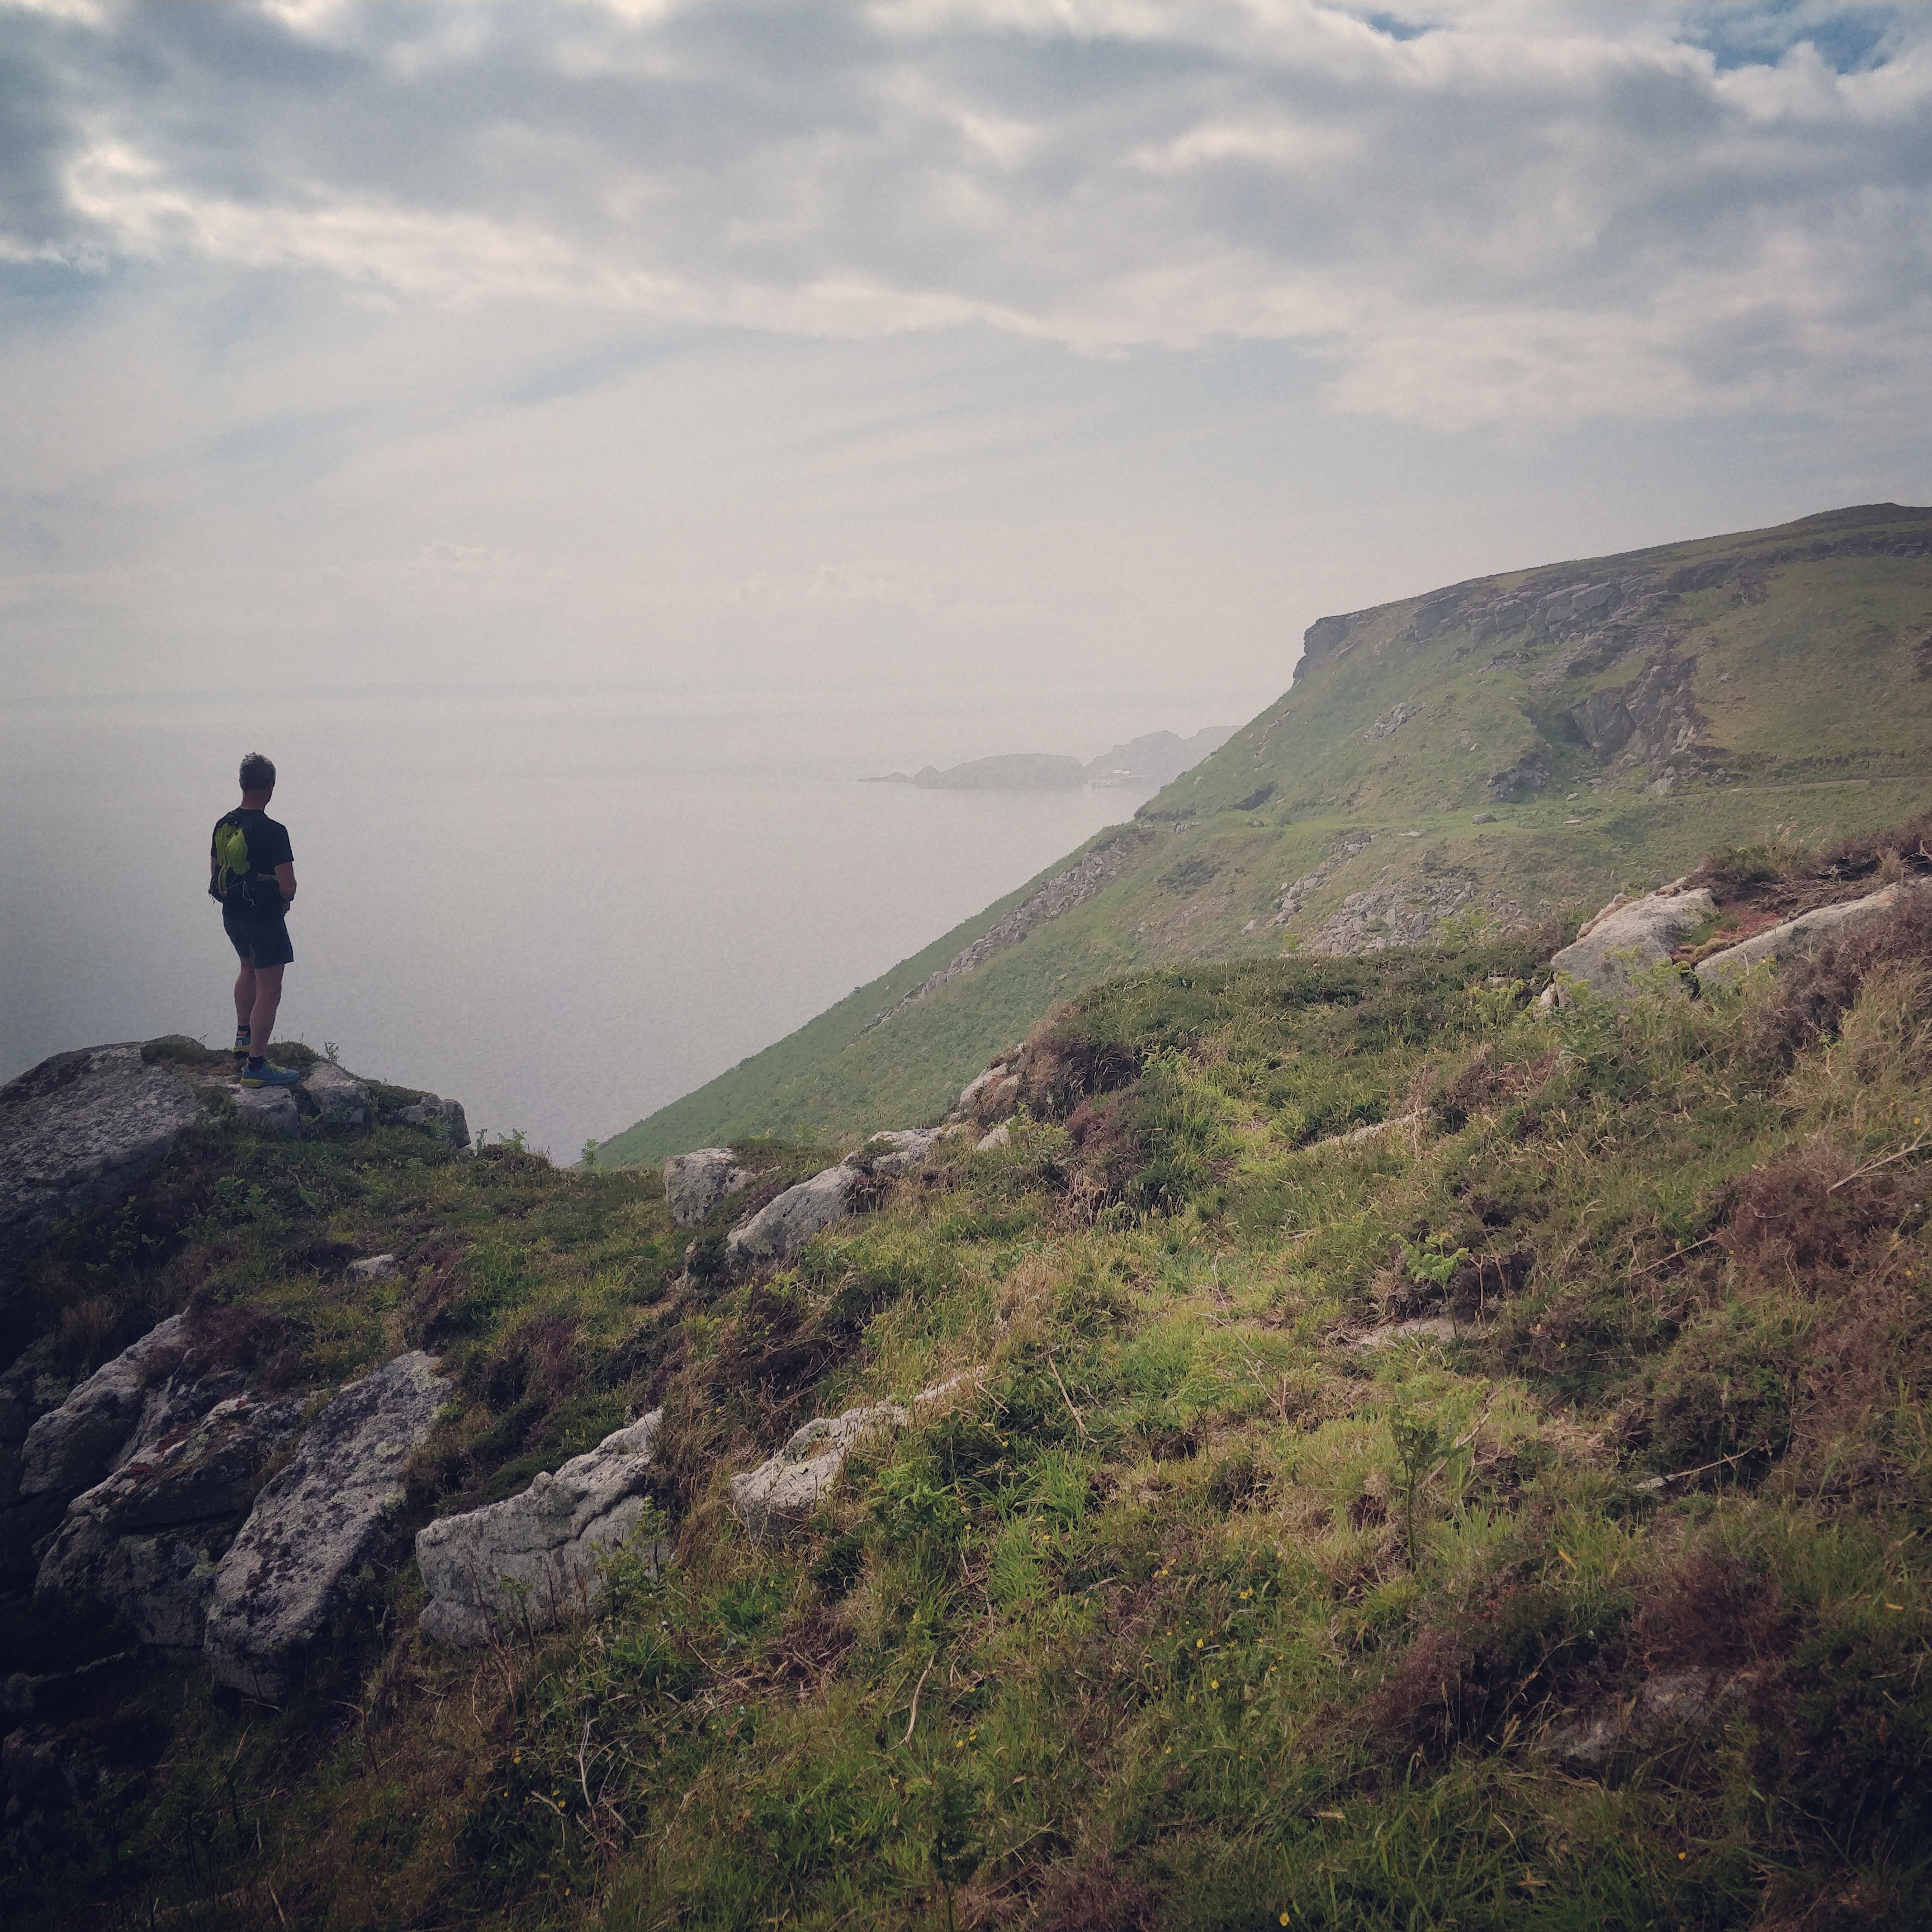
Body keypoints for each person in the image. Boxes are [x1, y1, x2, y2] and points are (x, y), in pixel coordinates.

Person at [210, 751, 301, 1088]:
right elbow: (288, 886)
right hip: (265, 920)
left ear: (242, 784)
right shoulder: (274, 832)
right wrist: (284, 899)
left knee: (246, 970)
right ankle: (257, 1066)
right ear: (271, 788)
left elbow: (215, 873)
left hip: (232, 916)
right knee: (270, 989)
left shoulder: (224, 824)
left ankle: (243, 1039)